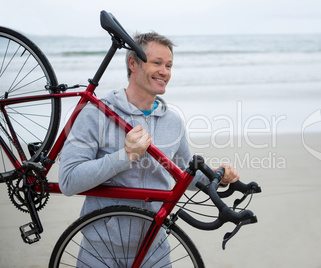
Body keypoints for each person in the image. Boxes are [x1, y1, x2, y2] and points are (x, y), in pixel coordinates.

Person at [58, 32, 239, 267]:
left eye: (169, 65)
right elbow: (69, 181)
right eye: (156, 63)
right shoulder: (95, 114)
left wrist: (219, 176)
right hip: (100, 249)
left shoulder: (172, 121)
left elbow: (184, 175)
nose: (165, 71)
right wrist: (126, 156)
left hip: (155, 248)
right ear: (132, 63)